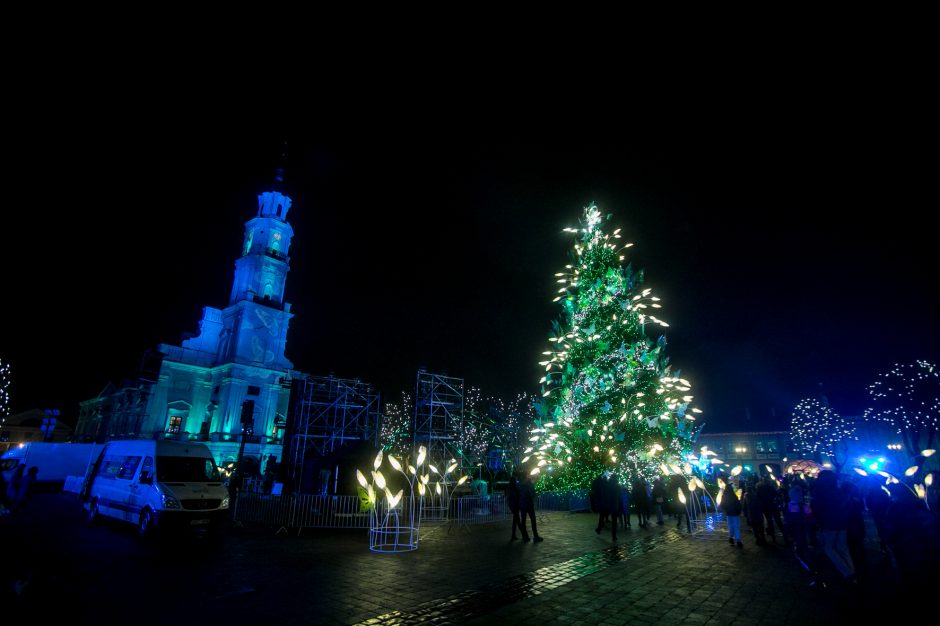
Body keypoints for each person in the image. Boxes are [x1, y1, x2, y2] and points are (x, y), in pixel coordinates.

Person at [518, 471, 542, 542]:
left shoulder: (519, 484)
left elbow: (518, 493)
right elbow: (532, 493)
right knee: (533, 520)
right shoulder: (529, 484)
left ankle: (525, 536)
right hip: (529, 504)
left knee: (523, 521)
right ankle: (535, 536)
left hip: (522, 504)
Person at [720, 477, 744, 547]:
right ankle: (738, 540)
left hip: (728, 514)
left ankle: (731, 538)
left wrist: (725, 510)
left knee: (730, 526)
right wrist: (739, 511)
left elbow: (722, 504)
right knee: (736, 526)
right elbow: (738, 504)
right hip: (735, 514)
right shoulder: (734, 496)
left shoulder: (724, 496)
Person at [507, 469, 524, 541]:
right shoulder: (513, 487)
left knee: (515, 521)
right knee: (518, 521)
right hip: (514, 505)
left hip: (513, 505)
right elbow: (515, 496)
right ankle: (523, 535)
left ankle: (513, 536)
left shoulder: (510, 486)